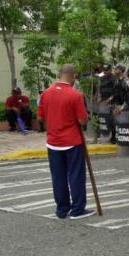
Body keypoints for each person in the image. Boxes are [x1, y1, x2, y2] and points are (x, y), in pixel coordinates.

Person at [37, 64, 94, 219]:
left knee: (58, 176)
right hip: (72, 141)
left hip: (53, 142)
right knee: (75, 175)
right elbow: (82, 120)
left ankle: (62, 209)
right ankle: (77, 210)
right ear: (74, 76)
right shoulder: (76, 95)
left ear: (59, 74)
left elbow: (40, 118)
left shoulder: (46, 94)